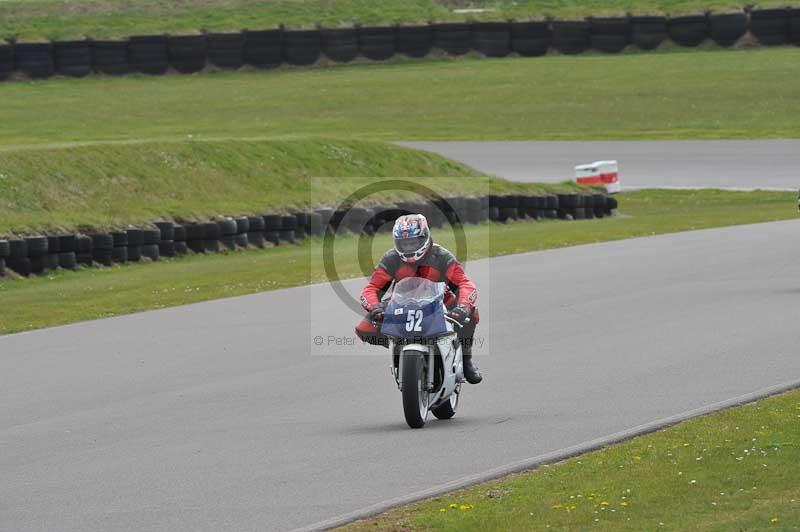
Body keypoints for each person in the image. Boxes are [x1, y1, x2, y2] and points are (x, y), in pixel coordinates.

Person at [355, 213, 483, 384]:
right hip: (401, 302)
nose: (408, 247)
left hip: (440, 301)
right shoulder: (391, 258)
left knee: (471, 315)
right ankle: (398, 346)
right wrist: (375, 307)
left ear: (425, 237)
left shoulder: (442, 256)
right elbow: (373, 288)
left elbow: (464, 284)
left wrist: (463, 306)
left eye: (413, 242)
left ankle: (466, 360)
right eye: (404, 243)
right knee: (364, 328)